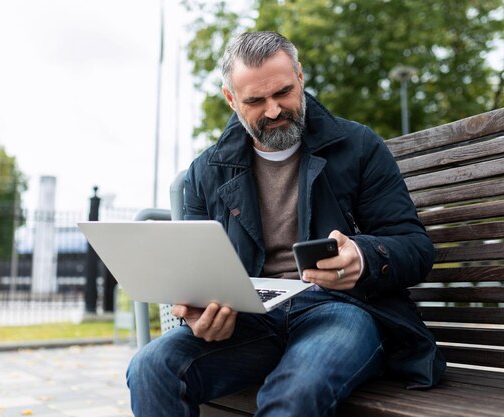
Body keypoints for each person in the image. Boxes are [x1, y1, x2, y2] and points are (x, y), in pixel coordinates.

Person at [127, 31, 445, 417]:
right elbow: (198, 274)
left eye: (283, 92)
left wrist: (362, 257)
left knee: (293, 392)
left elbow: (415, 247)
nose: (274, 110)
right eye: (255, 101)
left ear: (300, 77)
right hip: (249, 321)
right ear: (231, 99)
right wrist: (199, 312)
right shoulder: (205, 173)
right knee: (151, 366)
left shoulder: (358, 146)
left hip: (341, 310)